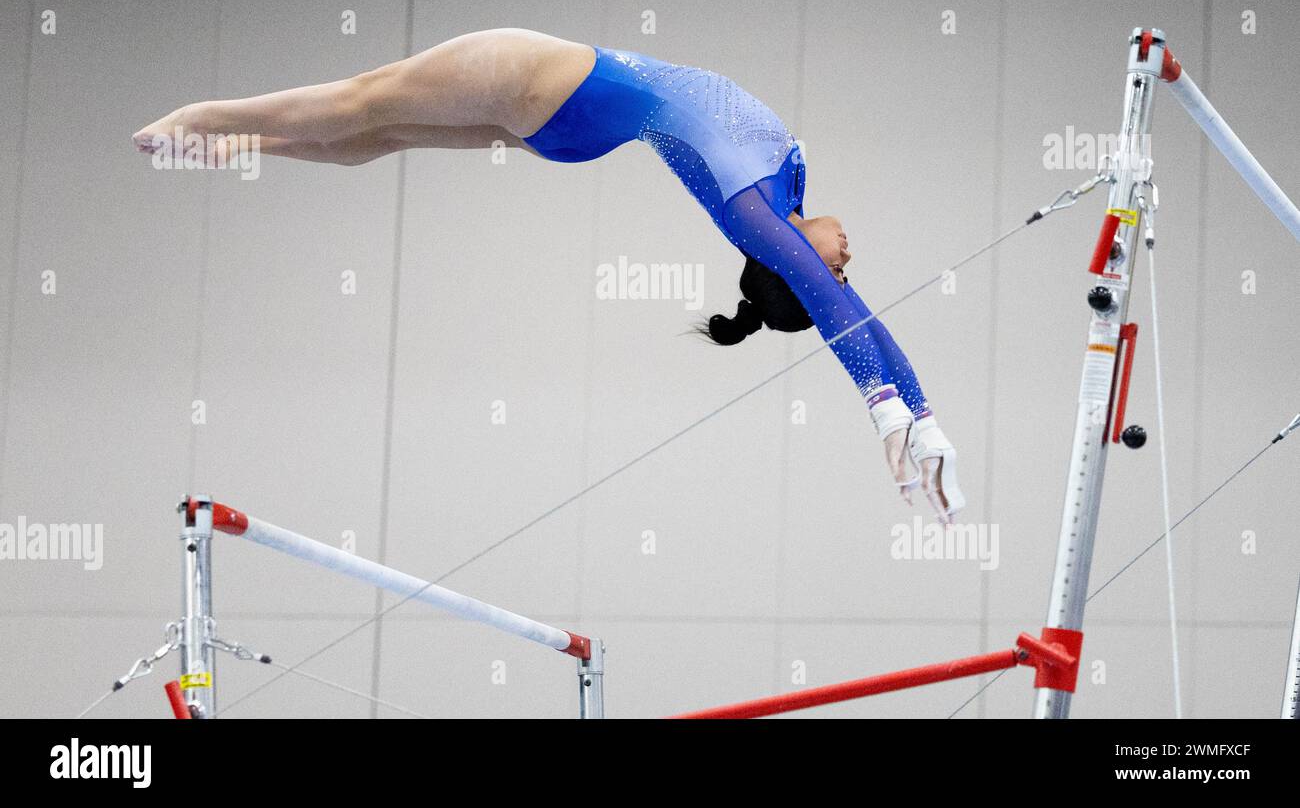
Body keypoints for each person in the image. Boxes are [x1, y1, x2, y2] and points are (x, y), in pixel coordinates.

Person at [134, 28, 965, 522]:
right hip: (572, 128)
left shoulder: (756, 208)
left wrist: (883, 408)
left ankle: (211, 117)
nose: (849, 264)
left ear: (787, 268)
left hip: (555, 81)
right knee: (381, 135)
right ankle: (243, 148)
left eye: (834, 275)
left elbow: (834, 309)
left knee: (367, 98)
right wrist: (922, 411)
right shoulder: (778, 200)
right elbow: (845, 311)